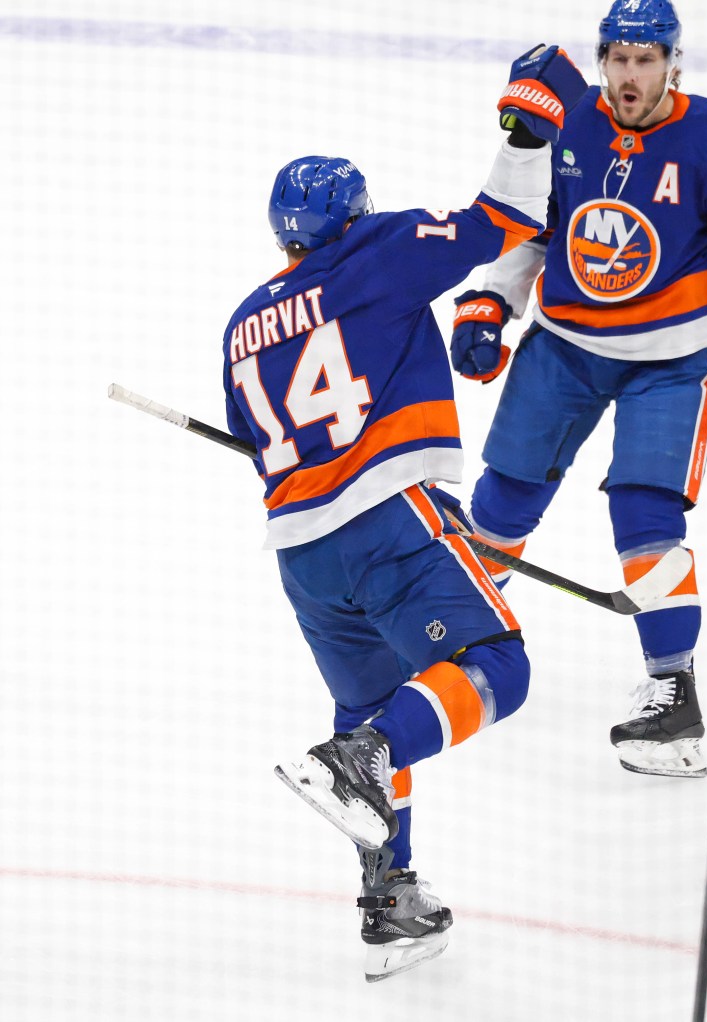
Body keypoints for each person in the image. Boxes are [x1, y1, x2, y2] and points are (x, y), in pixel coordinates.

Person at [221, 46, 586, 981]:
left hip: (301, 557)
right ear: (353, 214)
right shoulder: (378, 251)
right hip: (391, 518)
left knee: (368, 705)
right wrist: (524, 133)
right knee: (496, 665)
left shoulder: (241, 325)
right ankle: (369, 758)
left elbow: (258, 442)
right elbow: (503, 220)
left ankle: (389, 898)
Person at [449, 0, 707, 779]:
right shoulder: (566, 122)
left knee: (644, 511)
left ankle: (672, 694)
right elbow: (529, 225)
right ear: (602, 60)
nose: (631, 75)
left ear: (673, 62)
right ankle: (456, 639)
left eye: (647, 59)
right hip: (564, 347)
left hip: (669, 359)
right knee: (502, 499)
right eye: (619, 59)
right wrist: (494, 301)